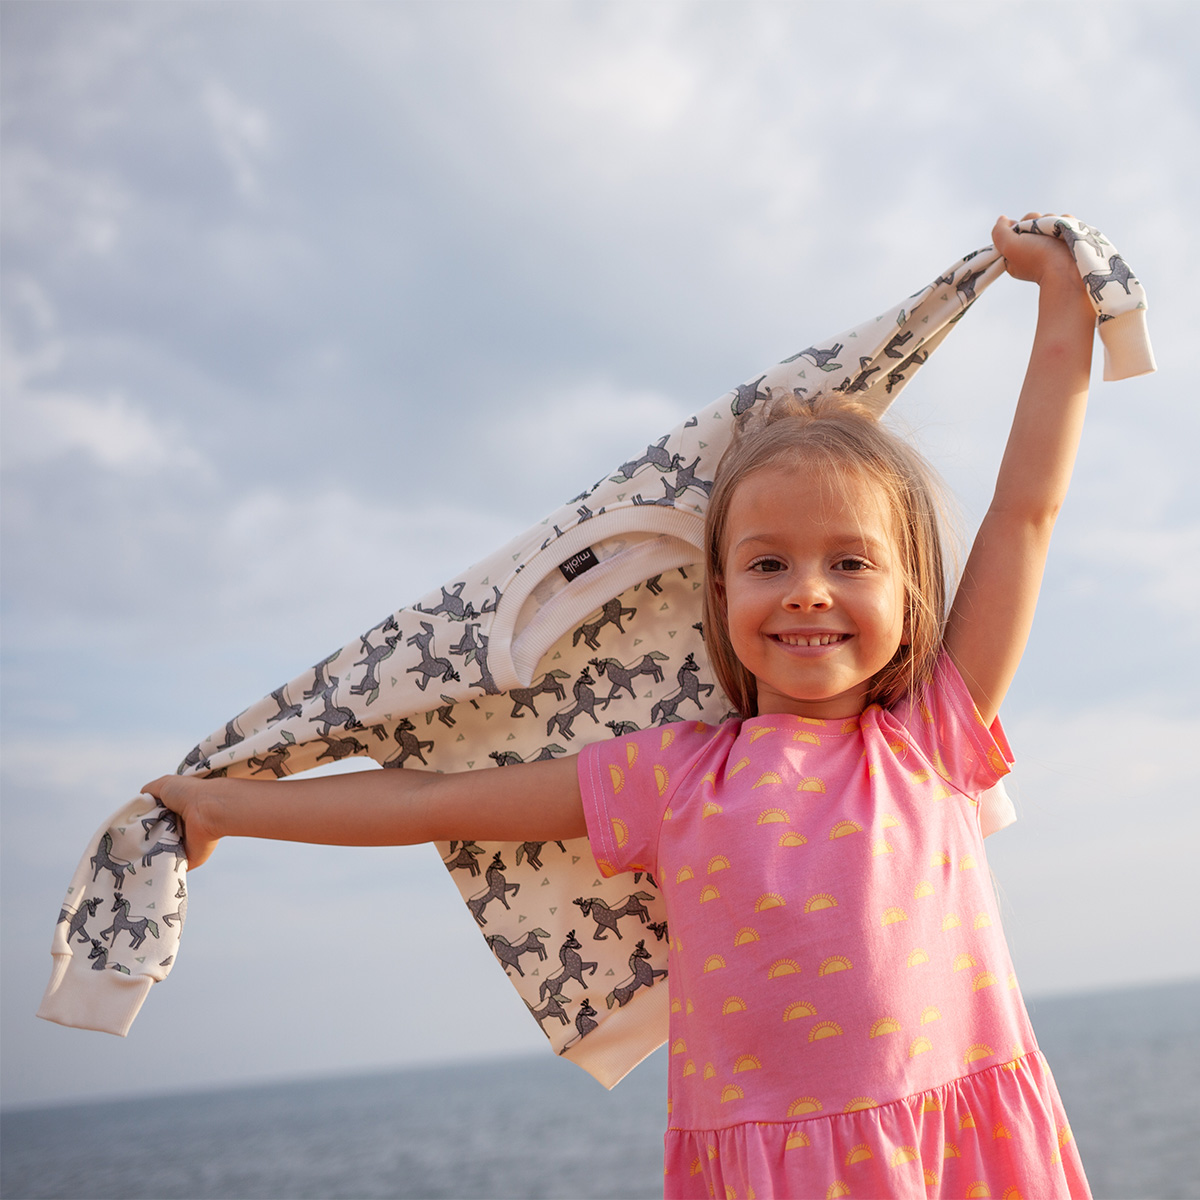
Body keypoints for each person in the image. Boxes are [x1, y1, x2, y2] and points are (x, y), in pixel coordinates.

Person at [144, 213, 1094, 1198]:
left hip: (960, 1154)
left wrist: (1063, 298)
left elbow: (1027, 512)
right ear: (721, 599)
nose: (809, 590)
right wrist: (228, 808)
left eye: (850, 562)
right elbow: (430, 801)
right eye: (769, 563)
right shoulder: (673, 778)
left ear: (911, 595)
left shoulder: (930, 737)